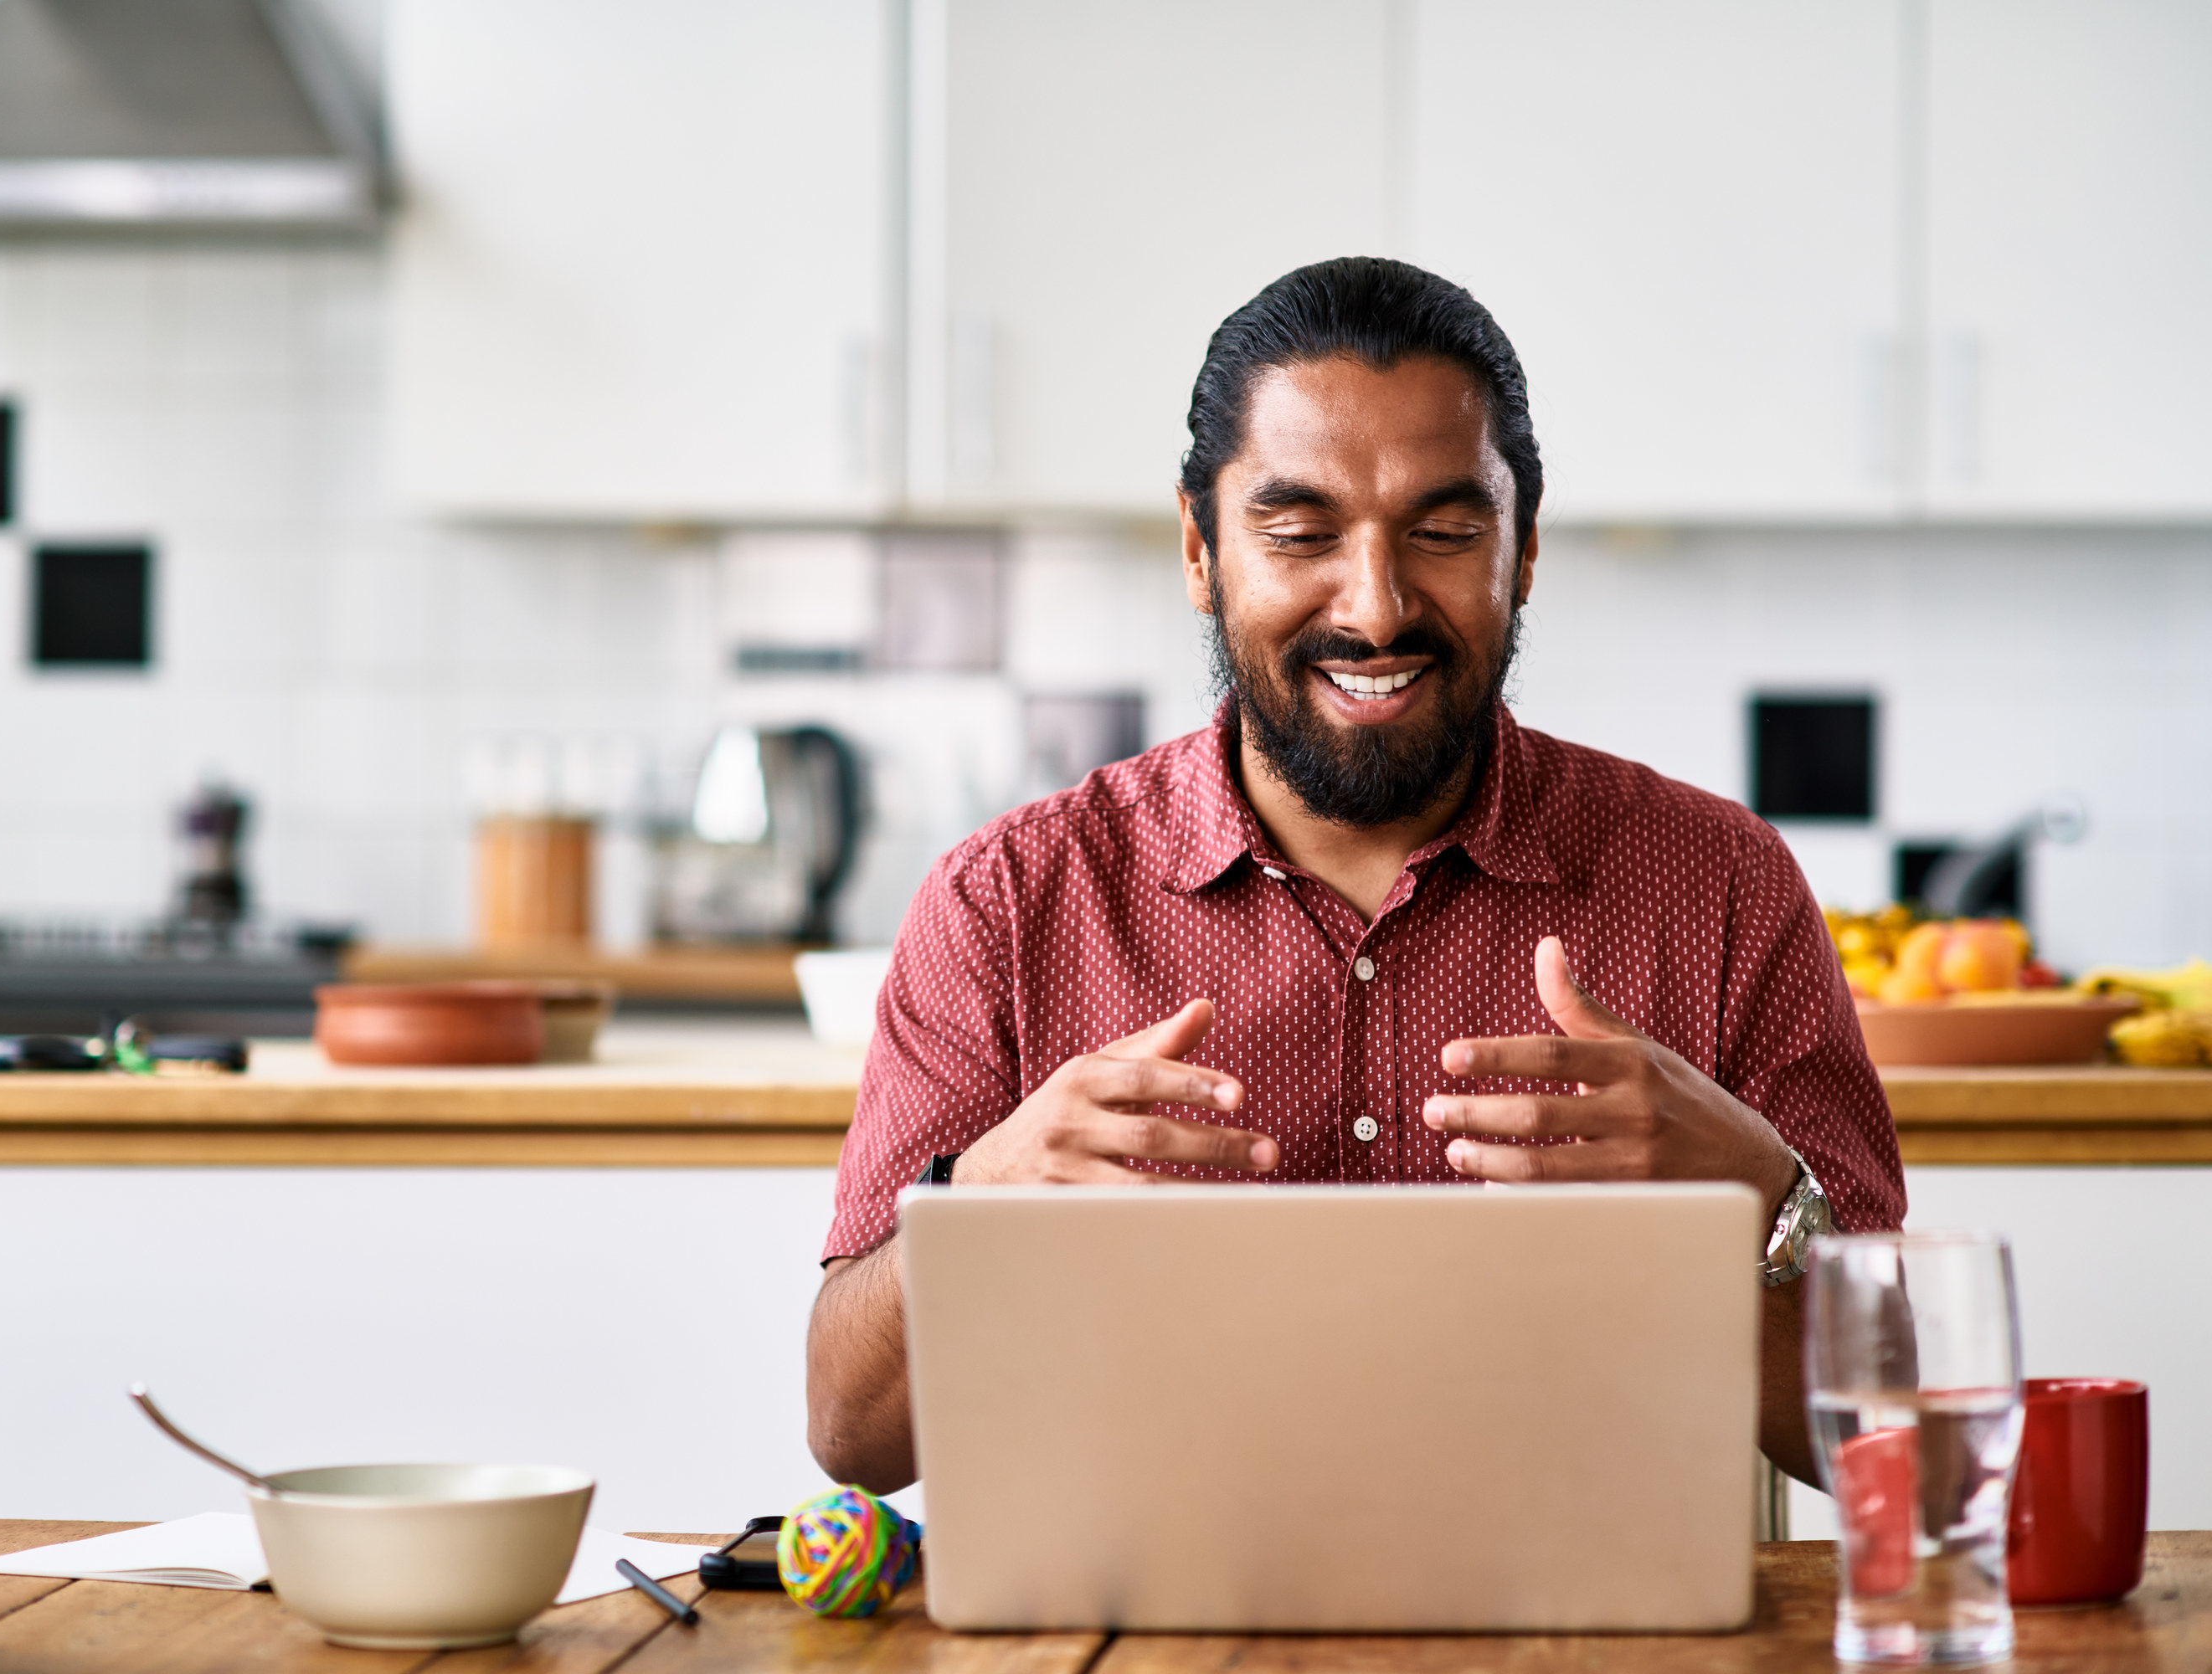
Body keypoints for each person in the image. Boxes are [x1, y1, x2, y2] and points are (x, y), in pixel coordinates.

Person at [805, 257, 1904, 1496]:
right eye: (1299, 533)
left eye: (1442, 532)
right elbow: (853, 1436)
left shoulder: (1717, 886)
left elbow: (1885, 1438)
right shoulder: (1006, 902)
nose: (1376, 607)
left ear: (1523, 549)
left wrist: (1760, 1194)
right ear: (1200, 547)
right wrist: (982, 1196)